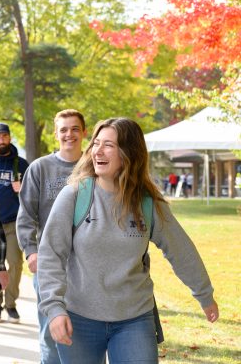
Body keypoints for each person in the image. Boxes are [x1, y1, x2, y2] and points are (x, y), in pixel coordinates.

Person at [38, 117, 219, 364]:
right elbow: (51, 255)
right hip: (79, 317)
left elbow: (181, 250)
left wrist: (204, 294)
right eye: (96, 144)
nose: (97, 151)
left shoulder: (147, 204)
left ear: (128, 153)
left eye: (109, 145)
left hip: (134, 317)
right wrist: (54, 308)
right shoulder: (75, 195)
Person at [16, 109, 86, 363]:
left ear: (84, 132)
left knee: (89, 333)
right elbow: (25, 215)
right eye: (64, 129)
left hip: (89, 264)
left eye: (75, 129)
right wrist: (31, 251)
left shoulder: (94, 166)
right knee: (50, 330)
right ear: (56, 134)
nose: (69, 134)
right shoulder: (40, 168)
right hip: (51, 261)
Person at [0, 122, 29, 323]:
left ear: (10, 138)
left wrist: (22, 189)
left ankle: (11, 305)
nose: (1, 140)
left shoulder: (21, 165)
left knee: (14, 264)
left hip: (13, 223)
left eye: (4, 136)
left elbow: (32, 194)